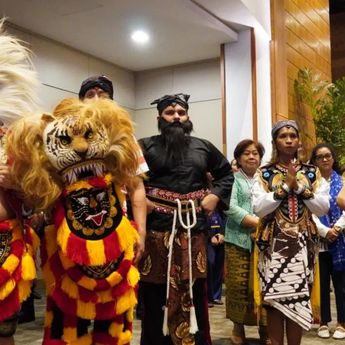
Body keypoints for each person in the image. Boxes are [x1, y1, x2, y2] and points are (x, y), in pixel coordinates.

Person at [138, 93, 233, 345]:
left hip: (193, 231)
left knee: (195, 292)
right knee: (154, 294)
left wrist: (214, 195)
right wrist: (139, 201)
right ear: (159, 117)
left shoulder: (204, 146)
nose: (176, 117)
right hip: (157, 231)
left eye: (181, 113)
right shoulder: (143, 146)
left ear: (188, 116)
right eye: (170, 113)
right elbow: (126, 180)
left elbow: (225, 175)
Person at [252, 120, 329, 345]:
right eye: (283, 136)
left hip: (304, 245)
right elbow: (259, 208)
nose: (288, 140)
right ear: (275, 141)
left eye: (292, 136)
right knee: (275, 303)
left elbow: (322, 207)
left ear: (298, 141)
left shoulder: (312, 173)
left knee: (298, 299)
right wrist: (285, 186)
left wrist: (299, 187)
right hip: (274, 244)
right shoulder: (264, 173)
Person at [79, 75, 148, 264]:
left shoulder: (126, 137)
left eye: (102, 95)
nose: (96, 100)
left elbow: (136, 187)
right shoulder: (67, 135)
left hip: (116, 221)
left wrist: (141, 231)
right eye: (90, 94)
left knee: (117, 285)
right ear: (81, 101)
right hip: (75, 221)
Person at [224, 139, 269, 345]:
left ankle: (265, 328)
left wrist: (263, 227)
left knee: (264, 285)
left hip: (264, 242)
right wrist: (255, 223)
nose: (252, 157)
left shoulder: (266, 180)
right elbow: (230, 207)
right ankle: (238, 327)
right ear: (238, 158)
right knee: (238, 285)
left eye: (255, 153)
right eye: (246, 153)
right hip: (238, 241)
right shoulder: (232, 180)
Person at [309, 143, 345, 339]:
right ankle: (323, 321)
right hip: (319, 241)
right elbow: (309, 210)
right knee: (321, 283)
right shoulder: (310, 184)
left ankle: (342, 322)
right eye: (319, 157)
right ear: (314, 161)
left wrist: (337, 228)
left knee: (341, 284)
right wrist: (324, 231)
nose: (324, 159)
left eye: (327, 156)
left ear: (333, 158)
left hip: (341, 240)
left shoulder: (343, 181)